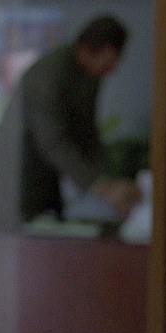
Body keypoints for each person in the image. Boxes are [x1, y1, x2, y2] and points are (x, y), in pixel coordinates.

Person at [19, 15, 140, 222]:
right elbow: (52, 141)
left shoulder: (90, 75)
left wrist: (110, 181)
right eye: (111, 59)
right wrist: (101, 186)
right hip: (22, 174)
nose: (113, 69)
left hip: (50, 173)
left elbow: (88, 133)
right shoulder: (48, 76)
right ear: (87, 51)